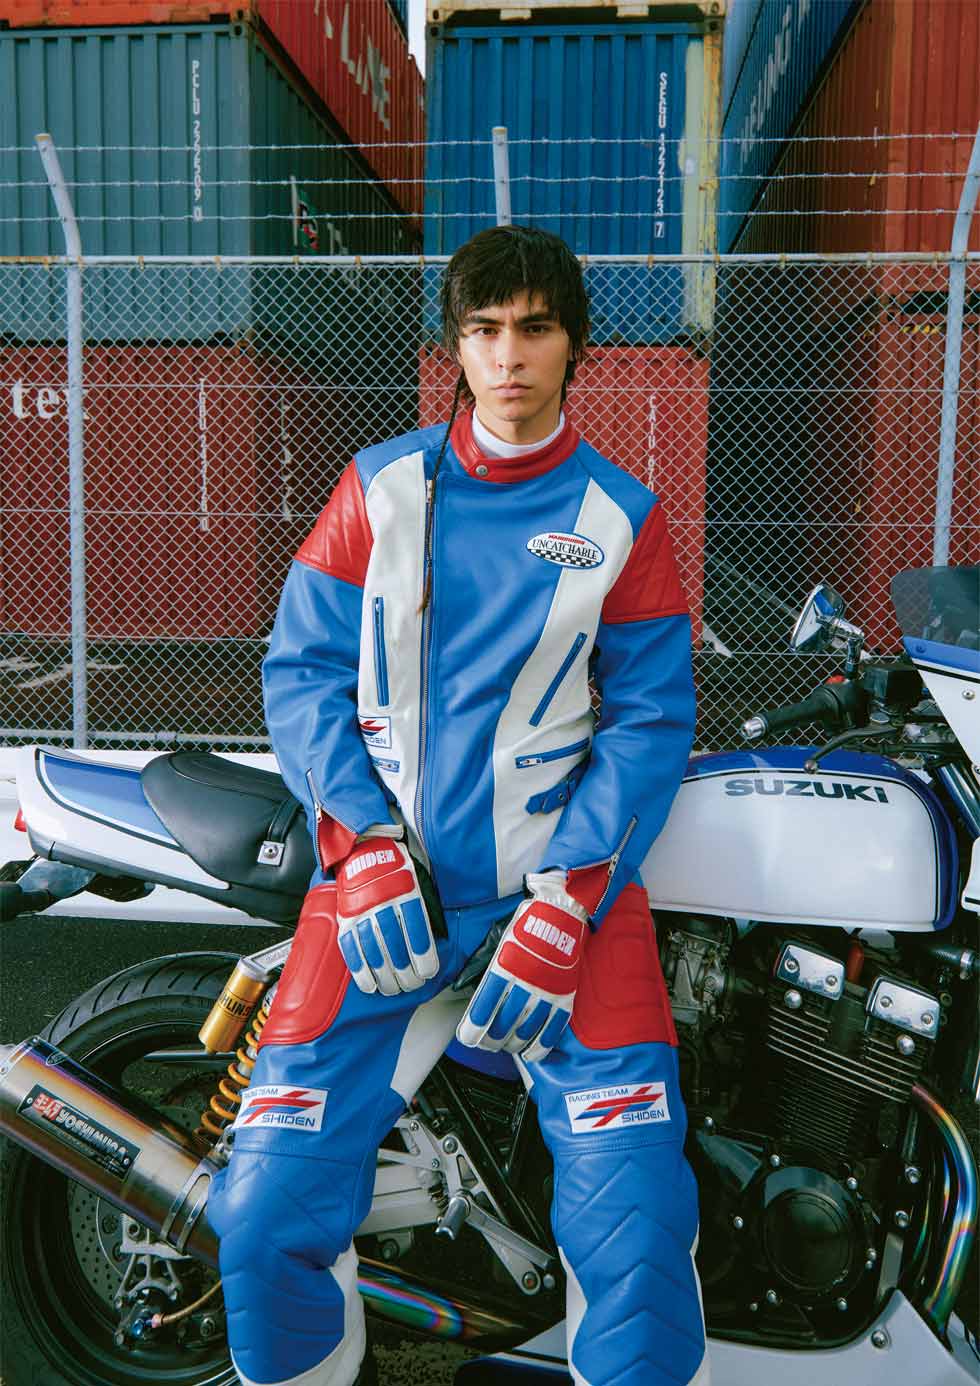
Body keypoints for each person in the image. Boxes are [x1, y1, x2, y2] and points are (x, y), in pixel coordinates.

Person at [209, 225, 709, 1386]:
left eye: (534, 328)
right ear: (456, 346)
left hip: (562, 911)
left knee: (637, 1242)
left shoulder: (620, 514)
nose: (508, 355)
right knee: (261, 1220)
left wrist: (571, 897)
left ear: (574, 345)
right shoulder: (376, 487)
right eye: (484, 330)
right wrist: (360, 844)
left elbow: (649, 720)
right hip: (378, 896)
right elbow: (299, 673)